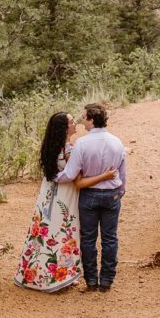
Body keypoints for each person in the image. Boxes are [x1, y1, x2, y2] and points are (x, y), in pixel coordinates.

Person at [14, 112, 116, 292]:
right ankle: (57, 276)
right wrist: (104, 175)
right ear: (64, 127)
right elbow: (74, 178)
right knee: (62, 232)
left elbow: (54, 174)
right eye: (71, 121)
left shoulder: (52, 147)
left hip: (48, 195)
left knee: (44, 231)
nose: (75, 123)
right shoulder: (69, 149)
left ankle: (35, 273)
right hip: (64, 196)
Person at [55, 103, 126, 292]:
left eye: (84, 117)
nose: (81, 121)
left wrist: (53, 177)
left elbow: (70, 174)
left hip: (89, 196)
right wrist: (120, 191)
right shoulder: (117, 142)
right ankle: (107, 281)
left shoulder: (82, 144)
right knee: (110, 238)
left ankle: (92, 280)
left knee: (88, 238)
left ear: (92, 119)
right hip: (112, 195)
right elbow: (122, 171)